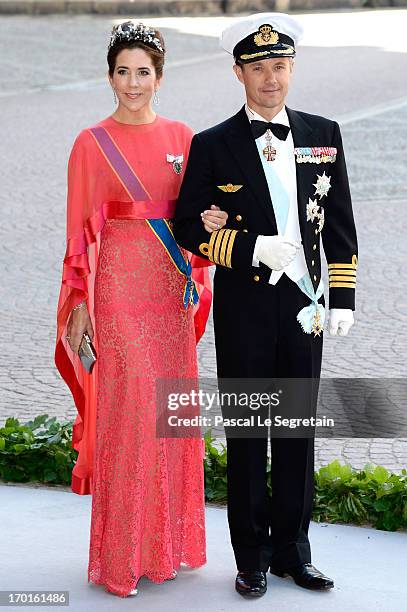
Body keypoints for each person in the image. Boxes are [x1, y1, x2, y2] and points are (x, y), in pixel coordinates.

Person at [173, 12, 358, 597]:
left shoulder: (323, 132)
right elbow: (186, 228)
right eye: (258, 68)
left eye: (280, 66)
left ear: (292, 68)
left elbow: (342, 226)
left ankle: (293, 554)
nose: (271, 78)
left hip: (306, 307)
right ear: (238, 72)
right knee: (251, 430)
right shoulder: (212, 144)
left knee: (297, 427)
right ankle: (250, 556)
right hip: (246, 309)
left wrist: (344, 295)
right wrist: (253, 248)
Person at [55, 21, 228, 598]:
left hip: (171, 285)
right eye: (123, 72)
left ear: (160, 77)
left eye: (144, 72)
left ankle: (166, 548)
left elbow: (196, 212)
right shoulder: (91, 142)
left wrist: (211, 227)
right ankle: (119, 557)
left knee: (170, 413)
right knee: (131, 412)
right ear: (109, 77)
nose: (134, 83)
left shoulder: (184, 135)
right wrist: (79, 301)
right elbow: (79, 233)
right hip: (122, 288)